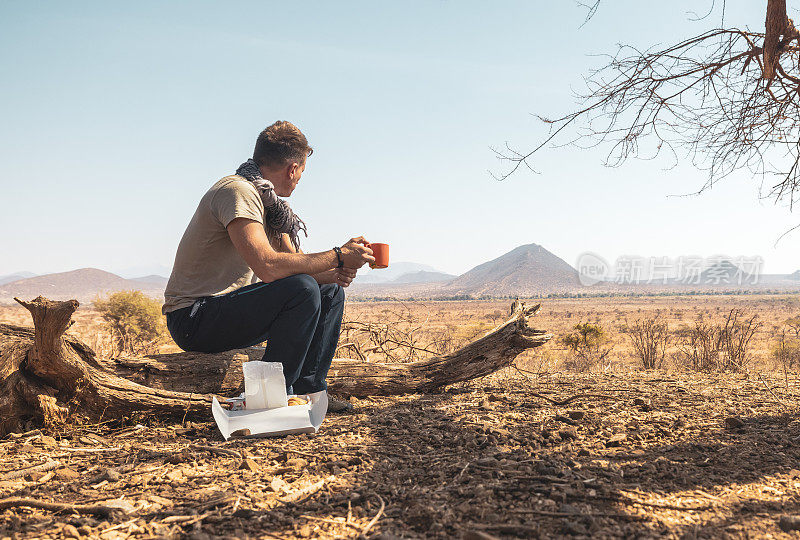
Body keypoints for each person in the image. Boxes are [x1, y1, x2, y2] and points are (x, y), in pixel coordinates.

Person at [162, 121, 374, 412]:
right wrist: (338, 254)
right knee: (302, 289)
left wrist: (340, 270)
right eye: (301, 172)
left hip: (224, 312)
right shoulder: (238, 192)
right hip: (192, 318)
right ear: (292, 169)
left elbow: (298, 267)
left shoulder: (271, 206)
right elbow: (269, 267)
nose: (299, 179)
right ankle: (271, 400)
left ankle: (309, 393)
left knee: (328, 292)